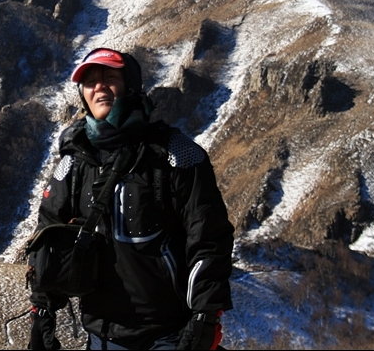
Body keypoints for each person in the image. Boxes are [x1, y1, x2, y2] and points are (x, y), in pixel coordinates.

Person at [27, 48, 234, 350]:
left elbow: (209, 239)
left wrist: (206, 316)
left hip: (168, 336)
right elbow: (49, 237)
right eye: (89, 82)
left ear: (131, 85)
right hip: (100, 335)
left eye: (109, 77)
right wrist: (42, 311)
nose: (98, 87)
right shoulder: (74, 162)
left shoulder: (175, 155)